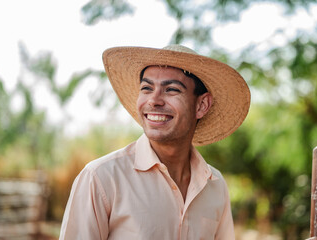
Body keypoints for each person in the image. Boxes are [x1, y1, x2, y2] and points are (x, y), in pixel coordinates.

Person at [59, 45, 251, 240]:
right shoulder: (100, 178)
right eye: (146, 88)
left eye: (171, 89)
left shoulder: (215, 187)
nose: (154, 100)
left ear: (201, 105)